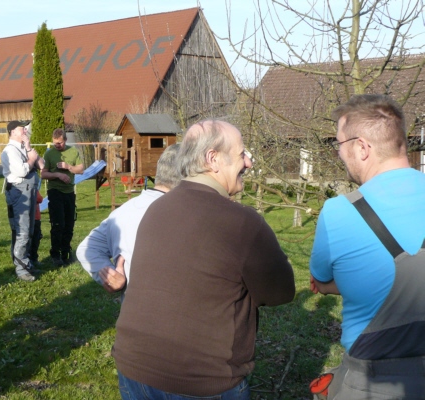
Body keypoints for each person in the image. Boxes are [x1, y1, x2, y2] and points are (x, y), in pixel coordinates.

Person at [112, 119, 295, 399]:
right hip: (199, 381)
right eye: (242, 154)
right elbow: (281, 292)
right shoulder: (241, 222)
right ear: (213, 159)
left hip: (134, 369)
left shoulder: (157, 208)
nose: (248, 163)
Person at [309, 94, 425, 398]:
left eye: (339, 143)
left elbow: (321, 282)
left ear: (362, 148)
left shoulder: (338, 211)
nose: (338, 153)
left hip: (374, 383)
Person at [76, 144, 181, 296]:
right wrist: (110, 275)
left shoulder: (121, 212)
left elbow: (87, 248)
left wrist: (109, 273)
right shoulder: (183, 215)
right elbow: (88, 248)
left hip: (132, 307)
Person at [1, 120, 44, 281]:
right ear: (13, 132)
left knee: (29, 229)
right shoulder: (10, 150)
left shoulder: (24, 148)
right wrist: (31, 160)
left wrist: (29, 148)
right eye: (22, 129)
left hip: (29, 191)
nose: (25, 131)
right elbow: (21, 171)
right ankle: (21, 269)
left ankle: (27, 263)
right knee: (22, 231)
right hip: (19, 193)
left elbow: (42, 165)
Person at [41, 128, 84, 266]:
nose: (57, 145)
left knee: (69, 224)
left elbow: (81, 169)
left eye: (60, 143)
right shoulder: (49, 154)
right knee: (58, 223)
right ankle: (55, 254)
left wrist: (69, 167)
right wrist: (57, 175)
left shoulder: (73, 151)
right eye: (55, 143)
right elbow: (43, 174)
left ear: (65, 140)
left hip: (69, 192)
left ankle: (66, 252)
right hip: (55, 192)